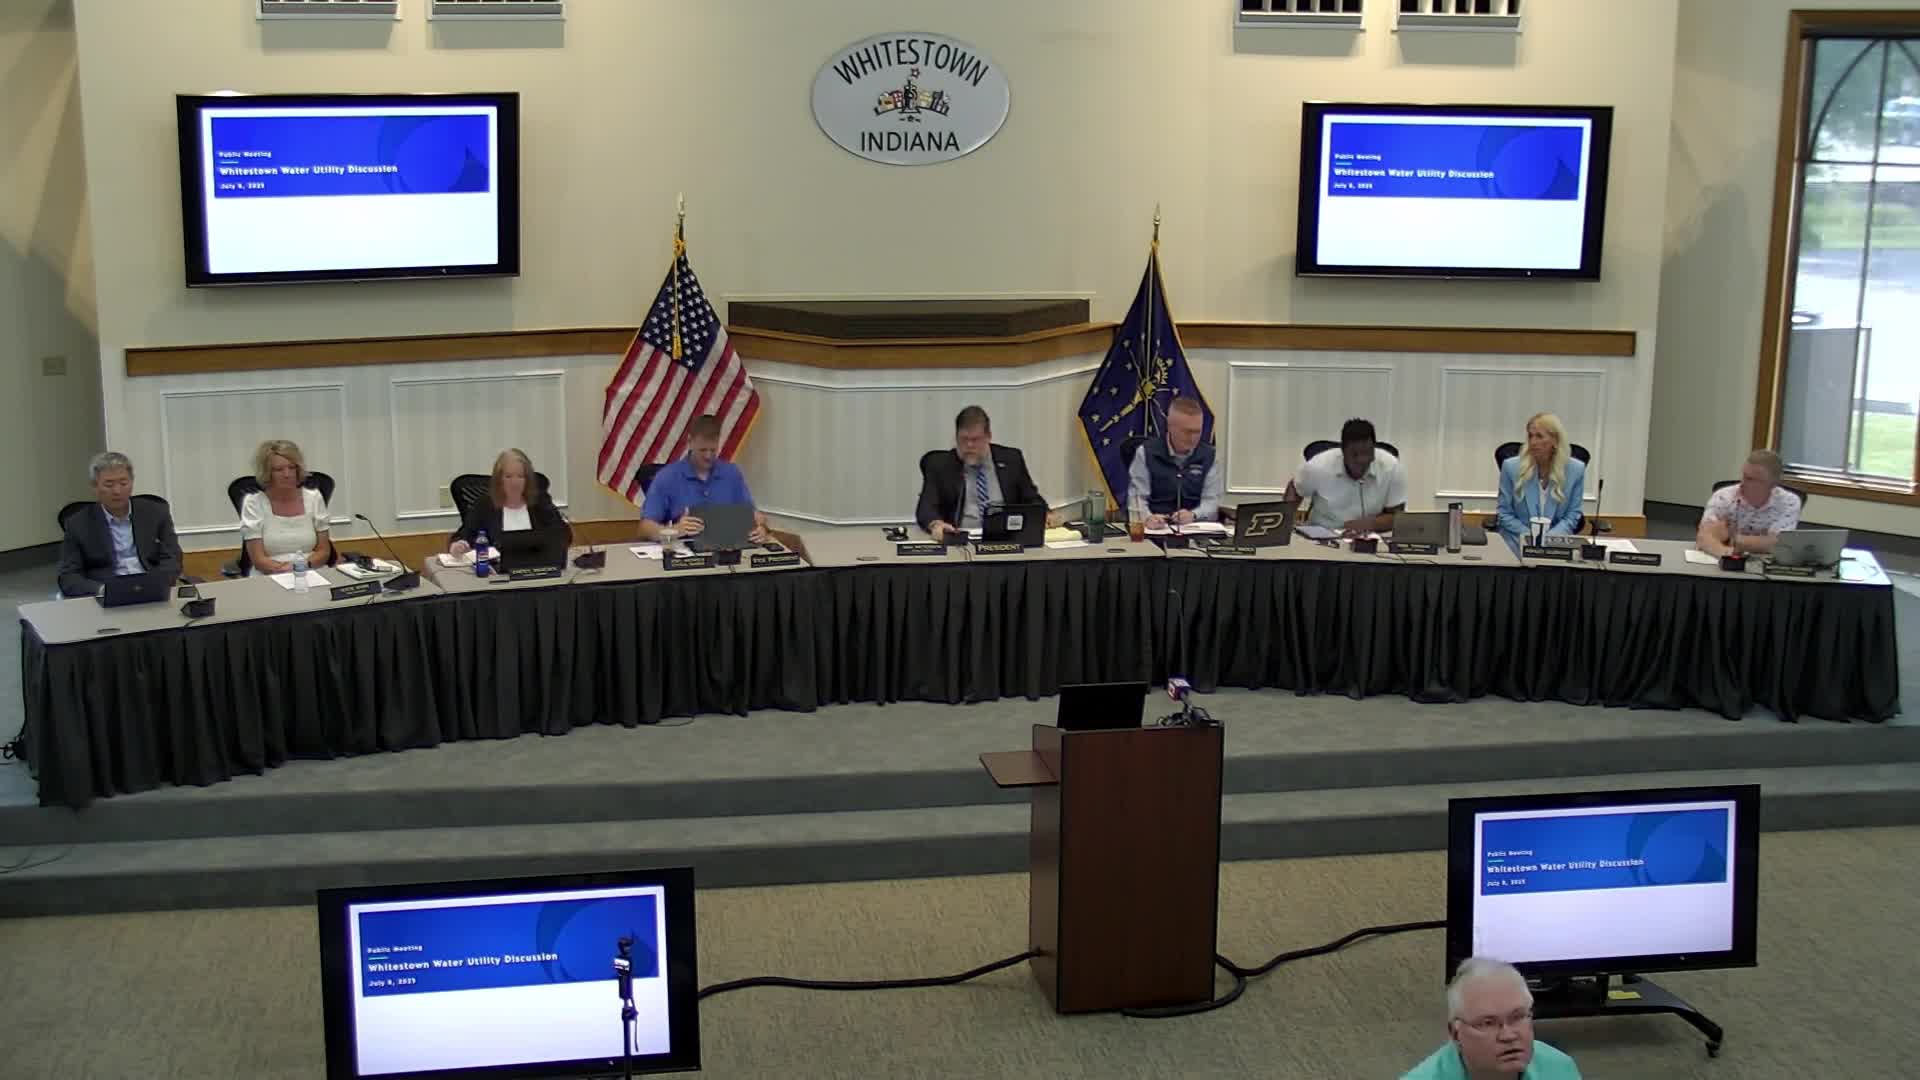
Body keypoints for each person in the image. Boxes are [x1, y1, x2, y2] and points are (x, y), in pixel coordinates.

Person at [1402, 957, 1582, 1079]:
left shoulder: (1559, 1069)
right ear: (1455, 1034)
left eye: (1518, 1017)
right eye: (1488, 1023)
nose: (1508, 1036)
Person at [916, 405, 1060, 541]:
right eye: (964, 439)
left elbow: (1031, 498)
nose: (969, 446)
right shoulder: (940, 465)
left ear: (988, 436)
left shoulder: (1011, 460)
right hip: (962, 539)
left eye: (975, 440)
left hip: (1007, 537)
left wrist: (1045, 514)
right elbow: (926, 508)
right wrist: (936, 524)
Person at [56, 451, 183, 598]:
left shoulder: (156, 512)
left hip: (153, 586)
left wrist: (158, 583)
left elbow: (173, 557)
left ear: (132, 482)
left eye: (123, 483)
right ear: (94, 486)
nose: (117, 491)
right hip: (107, 591)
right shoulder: (77, 523)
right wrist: (102, 590)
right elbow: (69, 576)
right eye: (109, 485)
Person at [638, 414, 770, 544]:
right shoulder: (667, 477)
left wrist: (761, 529)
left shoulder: (732, 473)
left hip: (727, 547)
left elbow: (754, 516)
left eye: (713, 450)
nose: (708, 456)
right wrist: (675, 530)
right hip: (685, 548)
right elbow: (645, 528)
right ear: (690, 442)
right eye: (702, 450)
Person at [1287, 417, 1406, 535]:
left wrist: (1370, 524)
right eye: (1355, 455)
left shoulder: (1391, 467)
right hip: (1322, 534)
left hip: (1366, 536)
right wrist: (1286, 522)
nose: (1361, 460)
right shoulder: (1318, 465)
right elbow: (1295, 489)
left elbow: (1396, 516)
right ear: (1343, 451)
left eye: (1367, 453)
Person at [448, 448, 570, 557]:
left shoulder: (540, 501)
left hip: (538, 566)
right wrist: (460, 544)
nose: (514, 482)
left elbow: (562, 534)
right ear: (499, 479)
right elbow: (465, 534)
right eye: (508, 476)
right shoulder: (485, 504)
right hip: (496, 570)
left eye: (520, 476)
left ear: (528, 479)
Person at [1126, 396, 1223, 528]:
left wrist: (1194, 515)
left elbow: (1211, 502)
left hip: (1194, 528)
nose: (1192, 438)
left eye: (1197, 432)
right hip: (1156, 529)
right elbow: (1137, 499)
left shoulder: (1209, 456)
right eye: (1187, 432)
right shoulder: (1146, 453)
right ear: (1170, 427)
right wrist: (1148, 518)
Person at [240, 438, 333, 575]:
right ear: (267, 473)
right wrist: (286, 570)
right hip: (270, 574)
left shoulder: (314, 498)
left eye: (292, 468)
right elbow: (259, 560)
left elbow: (323, 552)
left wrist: (301, 567)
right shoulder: (253, 503)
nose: (287, 474)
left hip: (311, 571)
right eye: (278, 470)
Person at [1495, 413, 1587, 548]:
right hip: (1517, 539)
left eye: (1539, 436)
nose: (1533, 442)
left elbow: (1572, 515)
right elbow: (1504, 514)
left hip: (1555, 542)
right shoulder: (1511, 467)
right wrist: (1532, 538)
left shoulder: (1576, 470)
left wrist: (1549, 539)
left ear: (1555, 440)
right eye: (1530, 436)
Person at [1696, 449, 1800, 557]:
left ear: (1772, 484)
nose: (1742, 483)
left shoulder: (1789, 502)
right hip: (1722, 562)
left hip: (1765, 564)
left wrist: (1734, 539)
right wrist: (1729, 554)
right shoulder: (1723, 496)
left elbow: (1780, 544)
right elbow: (1703, 537)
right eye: (1744, 475)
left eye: (1751, 479)